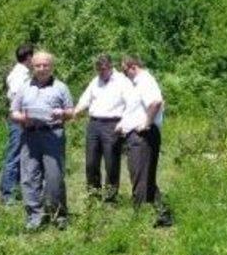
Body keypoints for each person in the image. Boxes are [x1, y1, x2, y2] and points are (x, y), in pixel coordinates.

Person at [10, 51, 73, 230]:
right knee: (29, 177)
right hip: (30, 135)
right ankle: (34, 217)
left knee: (54, 177)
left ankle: (58, 215)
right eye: (38, 65)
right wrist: (23, 118)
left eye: (45, 65)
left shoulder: (61, 87)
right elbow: (13, 111)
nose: (42, 69)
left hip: (53, 135)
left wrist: (62, 113)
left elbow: (71, 111)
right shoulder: (24, 87)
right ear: (33, 67)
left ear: (51, 66)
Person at [117, 55, 173, 227]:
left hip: (143, 136)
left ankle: (140, 219)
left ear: (133, 67)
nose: (124, 74)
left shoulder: (145, 81)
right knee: (144, 177)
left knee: (140, 178)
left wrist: (146, 123)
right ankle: (163, 214)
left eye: (124, 70)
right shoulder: (137, 84)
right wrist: (123, 124)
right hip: (136, 135)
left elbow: (155, 103)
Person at [72, 54, 134, 202]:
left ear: (111, 67)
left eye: (103, 69)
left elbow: (131, 104)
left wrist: (123, 123)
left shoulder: (122, 81)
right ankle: (93, 195)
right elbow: (85, 99)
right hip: (94, 124)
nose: (101, 72)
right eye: (98, 69)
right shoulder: (95, 81)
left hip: (112, 124)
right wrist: (76, 111)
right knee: (91, 162)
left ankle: (110, 197)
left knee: (111, 162)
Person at [0, 43, 34, 205]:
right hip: (18, 118)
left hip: (22, 117)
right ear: (28, 57)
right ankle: (7, 194)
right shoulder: (19, 74)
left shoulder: (23, 72)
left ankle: (15, 190)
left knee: (21, 154)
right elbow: (15, 95)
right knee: (14, 155)